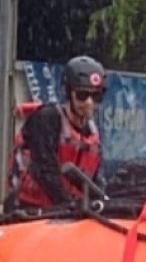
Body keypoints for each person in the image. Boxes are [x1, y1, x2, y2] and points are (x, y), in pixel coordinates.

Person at [11, 55, 106, 209]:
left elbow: (97, 180)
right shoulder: (47, 119)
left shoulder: (92, 132)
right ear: (69, 93)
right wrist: (68, 206)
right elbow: (44, 170)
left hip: (66, 213)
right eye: (82, 95)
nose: (89, 103)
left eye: (96, 96)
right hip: (28, 209)